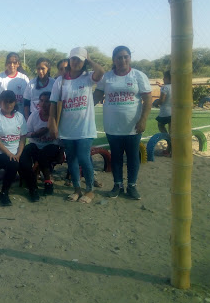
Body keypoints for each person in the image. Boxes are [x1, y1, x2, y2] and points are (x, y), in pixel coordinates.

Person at [93, 46, 152, 200]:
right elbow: (95, 97)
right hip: (112, 126)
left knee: (132, 157)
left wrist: (143, 119)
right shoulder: (107, 77)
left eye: (126, 56)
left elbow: (148, 99)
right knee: (117, 157)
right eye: (119, 57)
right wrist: (79, 110)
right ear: (114, 60)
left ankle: (132, 186)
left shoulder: (138, 76)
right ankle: (117, 185)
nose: (123, 60)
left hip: (133, 126)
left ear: (130, 58)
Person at [49, 47, 104, 204]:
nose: (75, 62)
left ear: (84, 62)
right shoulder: (61, 81)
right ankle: (77, 189)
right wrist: (52, 124)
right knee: (71, 159)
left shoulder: (88, 78)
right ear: (69, 60)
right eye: (73, 59)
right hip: (67, 128)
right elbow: (53, 103)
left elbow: (100, 71)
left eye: (79, 60)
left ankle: (90, 190)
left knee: (84, 158)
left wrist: (90, 60)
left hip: (85, 128)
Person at [0, 90, 28, 206]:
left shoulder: (19, 117)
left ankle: (33, 188)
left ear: (15, 103)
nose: (8, 105)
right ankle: (4, 193)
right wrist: (9, 153)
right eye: (5, 102)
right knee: (13, 164)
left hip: (16, 151)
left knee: (26, 162)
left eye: (11, 102)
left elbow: (23, 137)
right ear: (0, 102)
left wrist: (19, 153)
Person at [21, 92, 64, 197]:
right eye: (41, 101)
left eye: (48, 101)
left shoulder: (57, 117)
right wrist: (36, 134)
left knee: (43, 155)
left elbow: (63, 137)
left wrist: (62, 152)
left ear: (52, 103)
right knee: (24, 154)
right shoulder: (34, 115)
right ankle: (31, 181)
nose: (44, 104)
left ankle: (48, 182)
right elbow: (26, 133)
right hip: (36, 144)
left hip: (52, 146)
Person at [156, 70, 172, 156]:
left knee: (161, 125)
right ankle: (171, 150)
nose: (163, 78)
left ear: (169, 78)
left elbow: (161, 100)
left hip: (165, 112)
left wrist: (155, 102)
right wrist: (161, 86)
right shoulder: (176, 86)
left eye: (164, 77)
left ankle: (167, 139)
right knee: (172, 131)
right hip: (174, 112)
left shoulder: (164, 88)